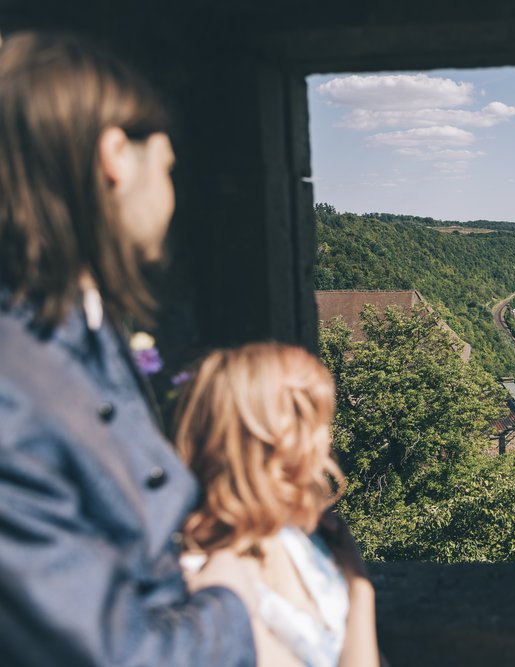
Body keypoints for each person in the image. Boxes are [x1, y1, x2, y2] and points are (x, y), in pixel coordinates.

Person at [0, 32, 258, 665]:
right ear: (116, 156)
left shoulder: (77, 330)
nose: (171, 196)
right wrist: (231, 596)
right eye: (167, 168)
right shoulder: (13, 386)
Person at [174, 342, 379, 667]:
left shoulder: (302, 543)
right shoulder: (214, 585)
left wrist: (359, 585)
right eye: (316, 424)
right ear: (275, 437)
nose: (326, 440)